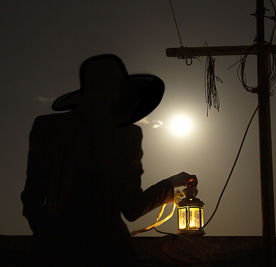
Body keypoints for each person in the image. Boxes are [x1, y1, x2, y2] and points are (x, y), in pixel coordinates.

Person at [21, 54, 197, 266]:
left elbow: (32, 197)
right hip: (108, 250)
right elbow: (132, 208)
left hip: (52, 248)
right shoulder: (126, 135)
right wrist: (171, 185)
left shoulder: (46, 127)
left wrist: (48, 235)